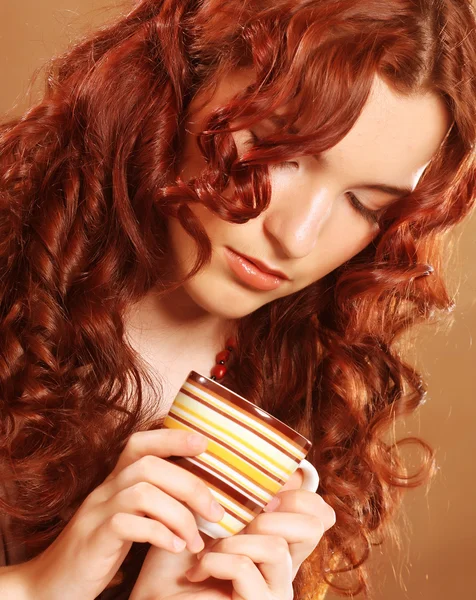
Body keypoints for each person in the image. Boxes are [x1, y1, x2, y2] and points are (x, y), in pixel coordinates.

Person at [0, 0, 475, 598]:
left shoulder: (311, 391)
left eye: (365, 206)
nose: (297, 236)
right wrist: (39, 588)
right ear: (182, 77)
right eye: (281, 151)